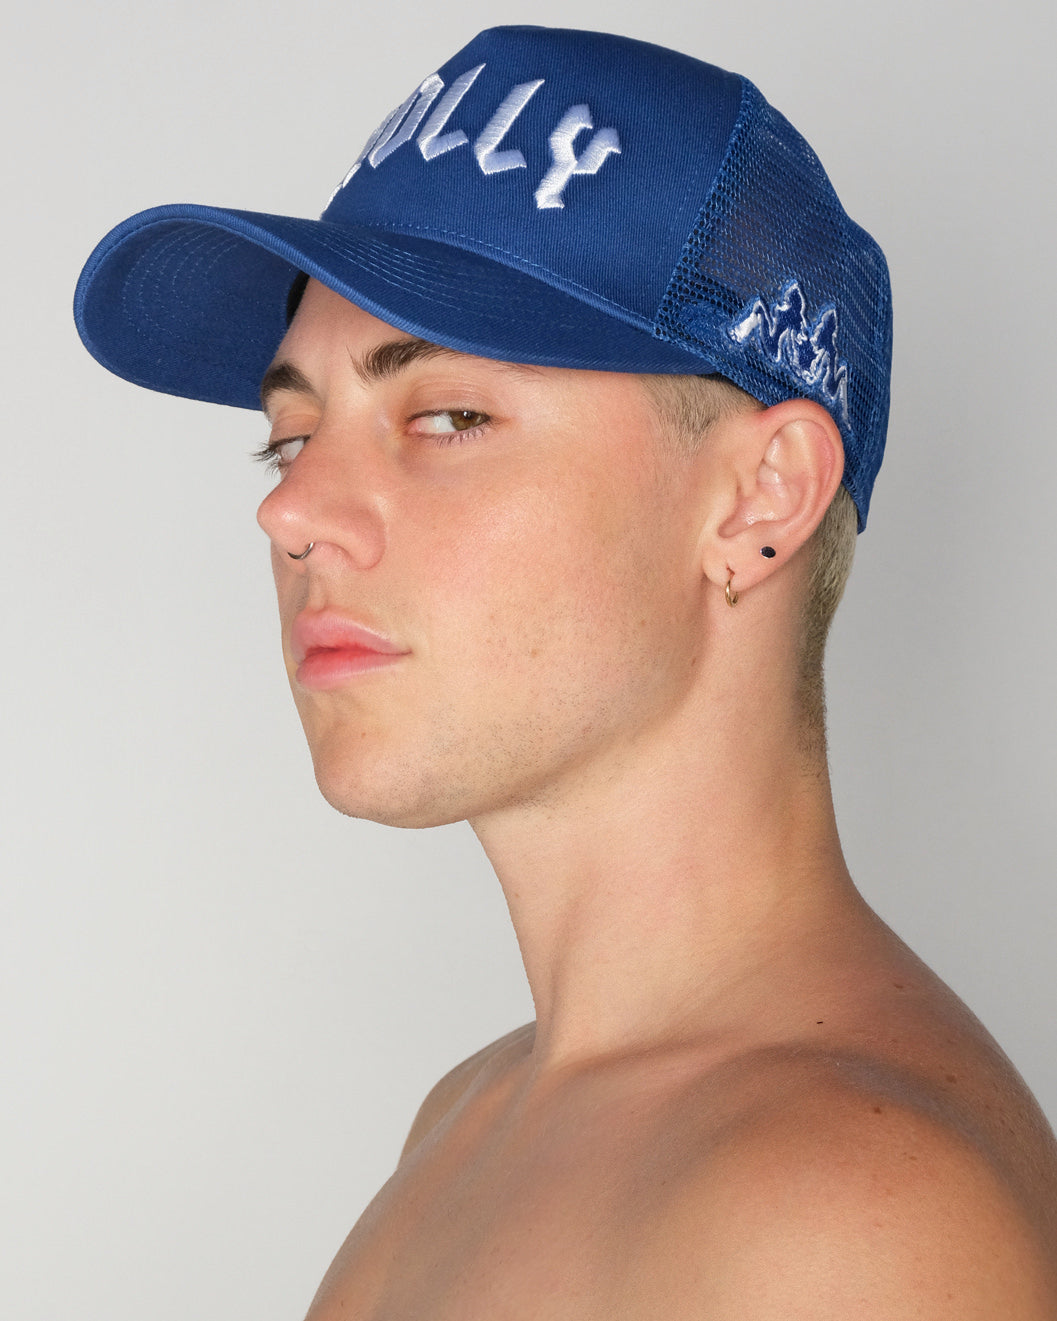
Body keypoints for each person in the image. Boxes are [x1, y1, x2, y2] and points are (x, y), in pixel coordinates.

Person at [74, 24, 1057, 1318]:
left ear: (759, 497)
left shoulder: (845, 1221)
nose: (293, 510)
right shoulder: (475, 1117)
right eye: (291, 435)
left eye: (447, 416)